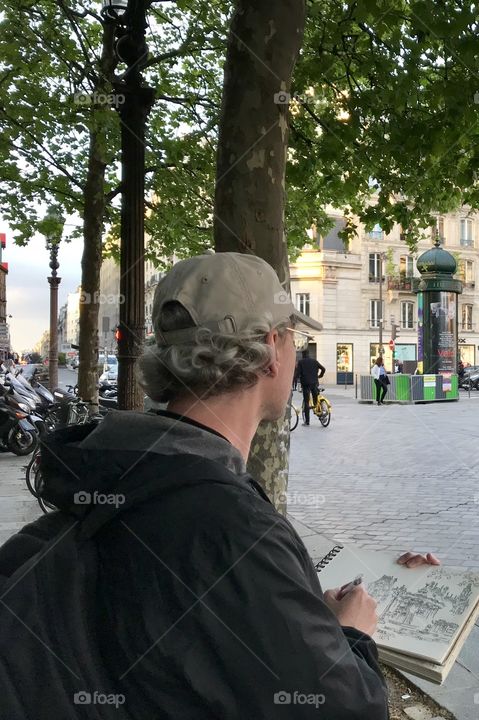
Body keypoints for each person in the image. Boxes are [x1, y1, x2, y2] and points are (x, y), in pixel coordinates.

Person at [0, 252, 442, 719]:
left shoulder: (120, 468)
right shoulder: (231, 526)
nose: (296, 352)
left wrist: (305, 615)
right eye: (294, 337)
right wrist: (352, 633)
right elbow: (346, 709)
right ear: (272, 349)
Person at [295, 350, 325, 423]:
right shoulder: (314, 361)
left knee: (306, 402)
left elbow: (297, 373)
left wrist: (295, 380)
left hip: (306, 384)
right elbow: (323, 369)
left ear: (303, 355)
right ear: (309, 354)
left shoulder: (301, 362)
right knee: (316, 397)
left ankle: (307, 421)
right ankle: (319, 412)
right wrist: (320, 376)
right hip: (314, 383)